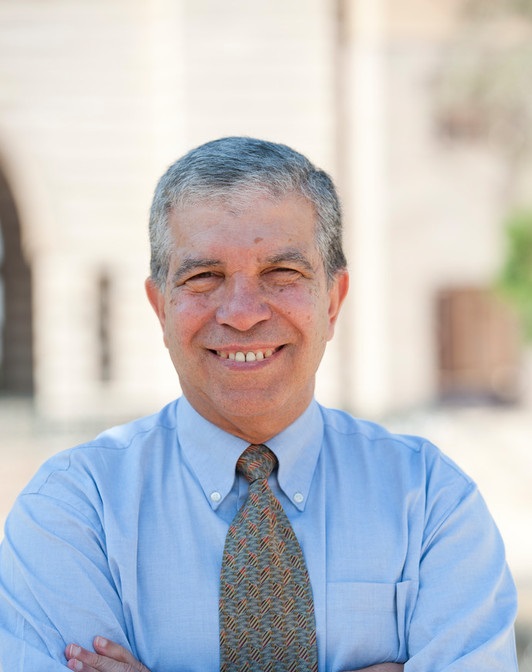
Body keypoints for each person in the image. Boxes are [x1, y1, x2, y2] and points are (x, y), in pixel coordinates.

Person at [0, 137, 518, 672]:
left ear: (333, 301)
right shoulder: (73, 511)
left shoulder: (431, 502)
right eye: (204, 277)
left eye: (281, 274)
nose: (243, 313)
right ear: (160, 308)